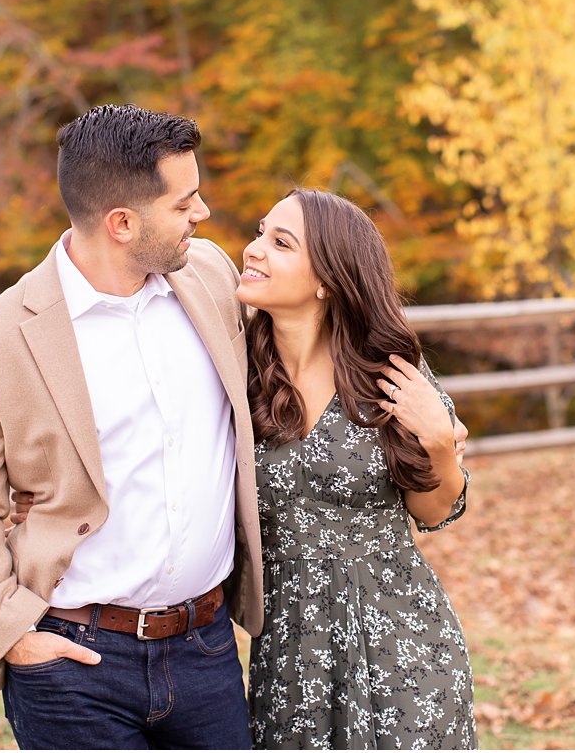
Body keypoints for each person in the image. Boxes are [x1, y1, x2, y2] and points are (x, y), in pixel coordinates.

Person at [0, 104, 263, 750]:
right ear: (122, 223)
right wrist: (9, 629)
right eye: (185, 202)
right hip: (73, 669)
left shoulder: (212, 279)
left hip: (208, 649)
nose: (204, 213)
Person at [237, 188, 477, 750]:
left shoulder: (387, 372)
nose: (253, 250)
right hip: (289, 653)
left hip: (404, 644)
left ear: (327, 277)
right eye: (258, 232)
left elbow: (435, 510)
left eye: (280, 242)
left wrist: (440, 443)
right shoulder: (235, 372)